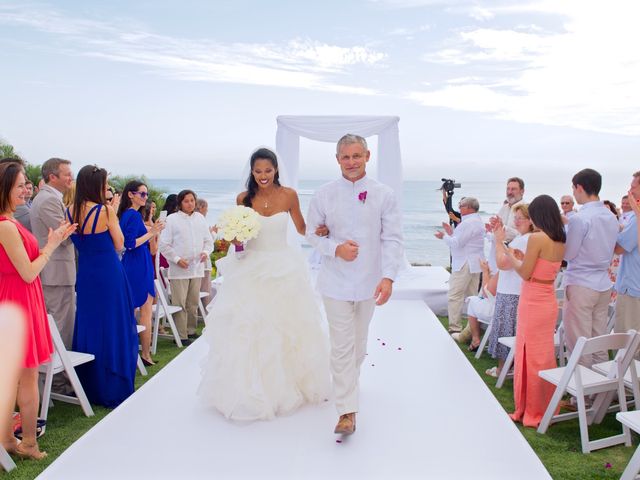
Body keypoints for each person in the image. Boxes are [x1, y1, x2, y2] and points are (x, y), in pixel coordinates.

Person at [199, 147, 330, 421]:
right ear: (252, 172)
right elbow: (238, 237)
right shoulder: (243, 198)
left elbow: (302, 228)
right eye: (257, 171)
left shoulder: (289, 195)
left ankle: (286, 386)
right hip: (252, 268)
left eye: (267, 171)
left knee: (286, 327)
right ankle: (250, 390)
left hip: (283, 266)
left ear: (276, 170)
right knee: (250, 328)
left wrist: (324, 230)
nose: (262, 176)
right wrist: (235, 238)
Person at [306, 134, 404, 435]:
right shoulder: (323, 194)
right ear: (337, 159)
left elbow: (392, 238)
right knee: (341, 346)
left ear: (367, 156)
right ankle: (347, 411)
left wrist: (388, 277)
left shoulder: (384, 194)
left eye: (356, 156)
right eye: (346, 157)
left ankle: (348, 385)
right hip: (334, 281)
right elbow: (311, 233)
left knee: (358, 347)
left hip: (369, 282)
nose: (351, 162)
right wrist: (334, 247)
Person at [0, 161, 75, 459]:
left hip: (18, 299)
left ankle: (8, 440)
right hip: (19, 301)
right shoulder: (6, 226)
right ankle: (29, 443)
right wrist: (51, 244)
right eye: (20, 185)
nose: (26, 189)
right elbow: (28, 272)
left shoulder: (10, 221)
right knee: (27, 379)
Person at [67, 165, 139, 408]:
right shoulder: (105, 211)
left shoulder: (68, 212)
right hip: (109, 273)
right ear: (96, 185)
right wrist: (114, 212)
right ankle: (113, 383)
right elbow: (119, 245)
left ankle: (91, 385)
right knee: (114, 323)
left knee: (90, 324)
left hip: (86, 275)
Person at [496, 195, 565, 428]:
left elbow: (525, 274)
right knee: (543, 355)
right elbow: (542, 266)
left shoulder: (536, 237)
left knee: (528, 355)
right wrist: (522, 258)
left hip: (533, 299)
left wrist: (507, 252)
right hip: (547, 300)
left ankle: (530, 409)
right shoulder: (559, 239)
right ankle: (546, 405)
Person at [562, 169, 619, 368]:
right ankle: (600, 391)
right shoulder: (611, 216)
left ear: (579, 187)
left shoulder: (580, 218)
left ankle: (581, 395)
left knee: (578, 340)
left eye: (573, 188)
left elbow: (569, 254)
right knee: (598, 338)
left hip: (581, 283)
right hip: (603, 284)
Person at [30, 158, 76, 350]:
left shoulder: (51, 197)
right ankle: (58, 379)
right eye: (67, 174)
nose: (71, 177)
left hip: (56, 271)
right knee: (60, 326)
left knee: (59, 324)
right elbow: (64, 236)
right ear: (52, 177)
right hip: (56, 272)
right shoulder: (49, 199)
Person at [118, 181, 165, 366]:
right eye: (142, 194)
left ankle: (142, 353)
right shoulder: (131, 215)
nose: (145, 197)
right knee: (143, 310)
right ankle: (143, 354)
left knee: (143, 309)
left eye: (146, 194)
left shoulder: (132, 215)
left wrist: (154, 229)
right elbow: (129, 243)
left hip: (141, 261)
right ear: (131, 195)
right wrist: (151, 232)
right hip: (136, 262)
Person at [485, 204, 534, 377]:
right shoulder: (526, 238)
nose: (516, 221)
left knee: (506, 331)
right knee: (510, 330)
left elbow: (502, 263)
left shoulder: (524, 240)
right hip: (515, 290)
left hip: (511, 292)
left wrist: (498, 241)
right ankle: (508, 368)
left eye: (521, 218)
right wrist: (500, 230)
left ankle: (501, 370)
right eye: (516, 217)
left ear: (530, 220)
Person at [159, 189, 213, 344]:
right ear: (180, 203)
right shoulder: (172, 219)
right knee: (180, 303)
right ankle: (181, 336)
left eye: (192, 200)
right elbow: (163, 244)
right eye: (186, 201)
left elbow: (208, 241)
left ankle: (191, 331)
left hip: (197, 268)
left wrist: (205, 252)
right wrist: (176, 259)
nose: (190, 204)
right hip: (179, 269)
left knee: (192, 302)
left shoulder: (200, 219)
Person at [434, 196, 485, 333]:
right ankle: (472, 328)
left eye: (461, 205)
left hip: (465, 263)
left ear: (468, 208)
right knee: (472, 296)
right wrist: (451, 232)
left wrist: (443, 236)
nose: (459, 207)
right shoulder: (476, 220)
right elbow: (463, 240)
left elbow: (457, 243)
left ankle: (455, 328)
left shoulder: (468, 223)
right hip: (475, 263)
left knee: (455, 295)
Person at [614, 172, 640, 334]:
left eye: (633, 186)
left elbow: (619, 248)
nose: (630, 190)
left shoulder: (637, 220)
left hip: (633, 288)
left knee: (628, 345)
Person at [195, 198, 216, 306]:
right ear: (202, 208)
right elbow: (208, 241)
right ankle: (205, 310)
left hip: (197, 260)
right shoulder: (201, 220)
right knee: (205, 288)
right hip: (203, 259)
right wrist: (213, 233)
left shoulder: (193, 219)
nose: (207, 211)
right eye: (206, 208)